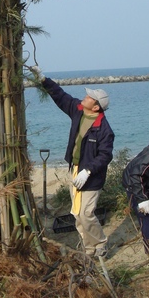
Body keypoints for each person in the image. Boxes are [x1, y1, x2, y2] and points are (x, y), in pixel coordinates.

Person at [31, 66, 114, 257]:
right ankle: (89, 248)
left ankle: (101, 243)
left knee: (86, 213)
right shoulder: (78, 110)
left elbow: (105, 155)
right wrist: (43, 79)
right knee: (77, 213)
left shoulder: (104, 129)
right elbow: (61, 96)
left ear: (96, 107)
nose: (85, 97)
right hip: (75, 170)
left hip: (92, 177)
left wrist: (88, 171)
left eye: (89, 98)